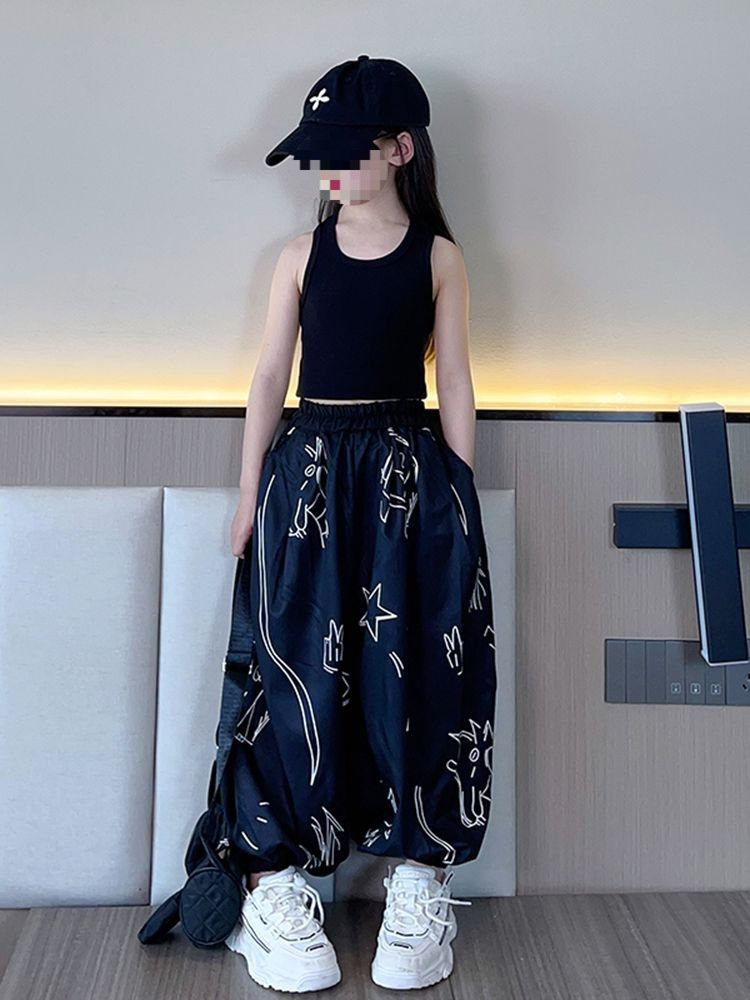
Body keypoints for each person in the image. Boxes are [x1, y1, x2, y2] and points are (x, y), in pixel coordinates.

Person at [220, 54, 497, 993]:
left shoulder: (439, 258)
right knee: (296, 661)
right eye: (318, 154)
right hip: (306, 475)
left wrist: (460, 489)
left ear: (400, 150)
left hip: (406, 476)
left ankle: (420, 874)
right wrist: (247, 491)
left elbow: (454, 380)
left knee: (412, 662)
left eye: (343, 151)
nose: (325, 170)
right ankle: (274, 876)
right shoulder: (299, 257)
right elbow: (270, 375)